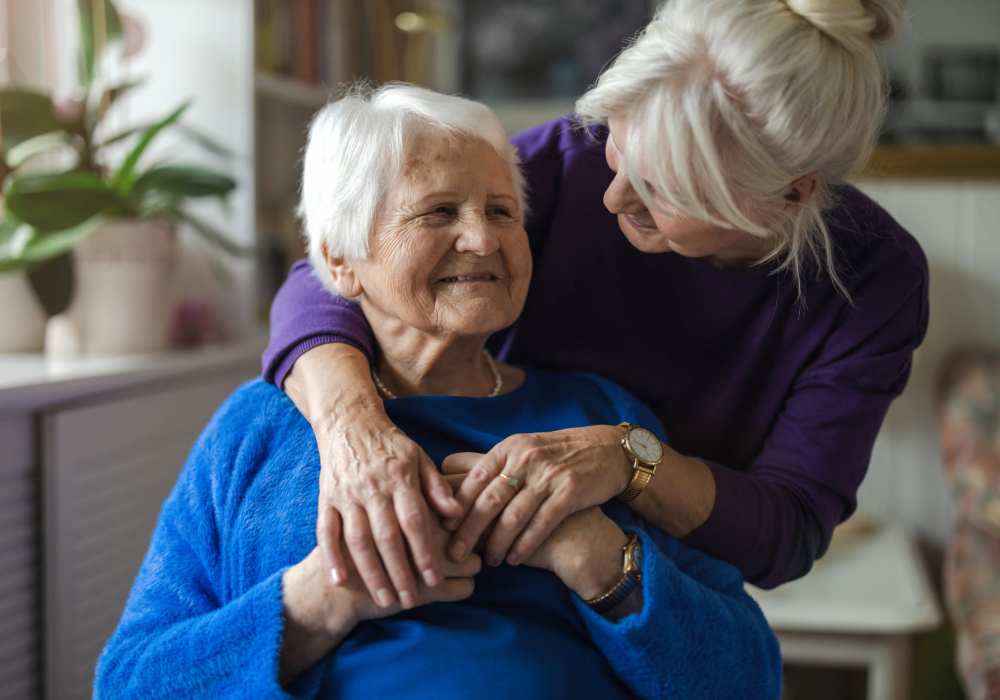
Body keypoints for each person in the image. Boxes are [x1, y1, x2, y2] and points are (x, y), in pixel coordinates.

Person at [94, 85, 781, 699]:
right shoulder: (258, 428)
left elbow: (748, 677)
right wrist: (325, 598)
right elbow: (130, 683)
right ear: (339, 257)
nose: (482, 239)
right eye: (438, 212)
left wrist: (594, 554)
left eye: (503, 211)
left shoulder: (601, 421)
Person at [262, 0, 929, 609]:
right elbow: (329, 272)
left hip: (647, 587)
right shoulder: (568, 161)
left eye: (663, 189)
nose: (612, 199)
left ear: (792, 195)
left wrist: (631, 461)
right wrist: (355, 432)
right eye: (617, 145)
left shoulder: (872, 280)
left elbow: (789, 531)